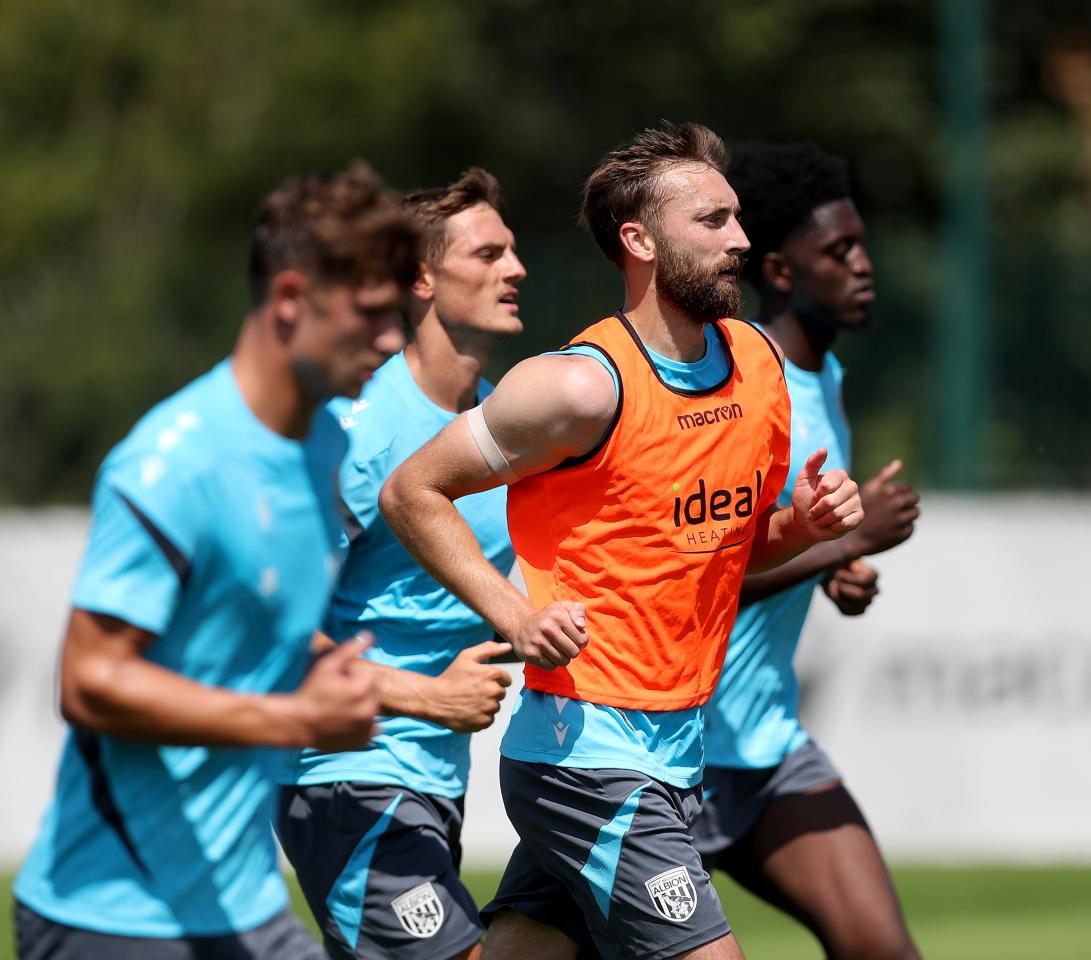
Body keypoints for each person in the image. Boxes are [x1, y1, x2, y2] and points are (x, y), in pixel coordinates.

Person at [379, 122, 865, 960]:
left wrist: (802, 527)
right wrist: (514, 613)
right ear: (638, 241)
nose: (741, 241)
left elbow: (728, 547)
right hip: (586, 757)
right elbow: (411, 490)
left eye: (738, 219)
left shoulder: (756, 366)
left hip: (677, 749)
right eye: (712, 222)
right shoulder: (576, 388)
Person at [12, 163, 418, 960]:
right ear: (292, 300)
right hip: (114, 917)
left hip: (243, 906)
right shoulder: (173, 465)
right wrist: (296, 719)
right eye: (372, 314)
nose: (393, 339)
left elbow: (249, 634)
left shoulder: (328, 445)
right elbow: (88, 682)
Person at [276, 168, 525, 960]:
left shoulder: (501, 425)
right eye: (487, 254)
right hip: (344, 777)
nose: (515, 269)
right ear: (420, 278)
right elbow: (270, 630)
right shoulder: (361, 431)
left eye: (513, 251)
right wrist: (428, 696)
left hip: (433, 782)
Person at [693, 141, 923, 960]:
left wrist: (837, 572)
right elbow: (700, 572)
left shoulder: (824, 382)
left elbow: (784, 539)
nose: (864, 266)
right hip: (671, 756)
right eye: (839, 251)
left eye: (860, 245)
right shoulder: (747, 393)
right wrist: (850, 540)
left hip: (763, 747)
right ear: (782, 272)